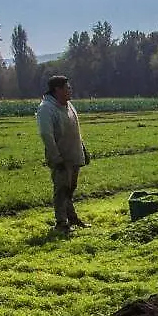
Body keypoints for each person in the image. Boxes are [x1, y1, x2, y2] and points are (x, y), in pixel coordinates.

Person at [37, 75, 91, 233]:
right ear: (57, 90)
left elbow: (76, 129)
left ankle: (72, 218)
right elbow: (46, 135)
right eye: (67, 88)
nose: (70, 90)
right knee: (61, 190)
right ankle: (61, 223)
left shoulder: (69, 105)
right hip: (61, 158)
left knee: (70, 189)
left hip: (73, 155)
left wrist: (83, 149)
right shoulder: (46, 109)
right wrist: (56, 158)